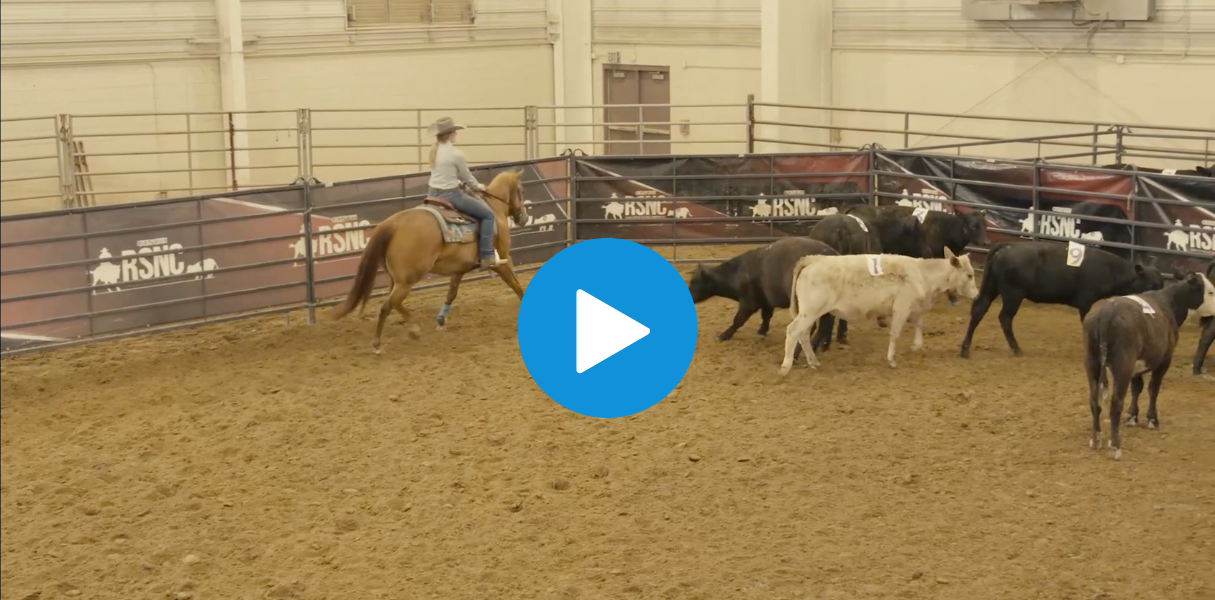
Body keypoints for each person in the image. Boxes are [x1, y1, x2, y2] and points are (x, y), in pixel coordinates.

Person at [426, 116, 504, 269]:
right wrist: (479, 187)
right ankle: (487, 255)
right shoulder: (456, 154)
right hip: (451, 195)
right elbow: (468, 178)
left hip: (432, 193)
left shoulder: (434, 151)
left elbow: (444, 174)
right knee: (488, 215)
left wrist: (457, 182)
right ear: (451, 134)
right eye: (455, 131)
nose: (456, 134)